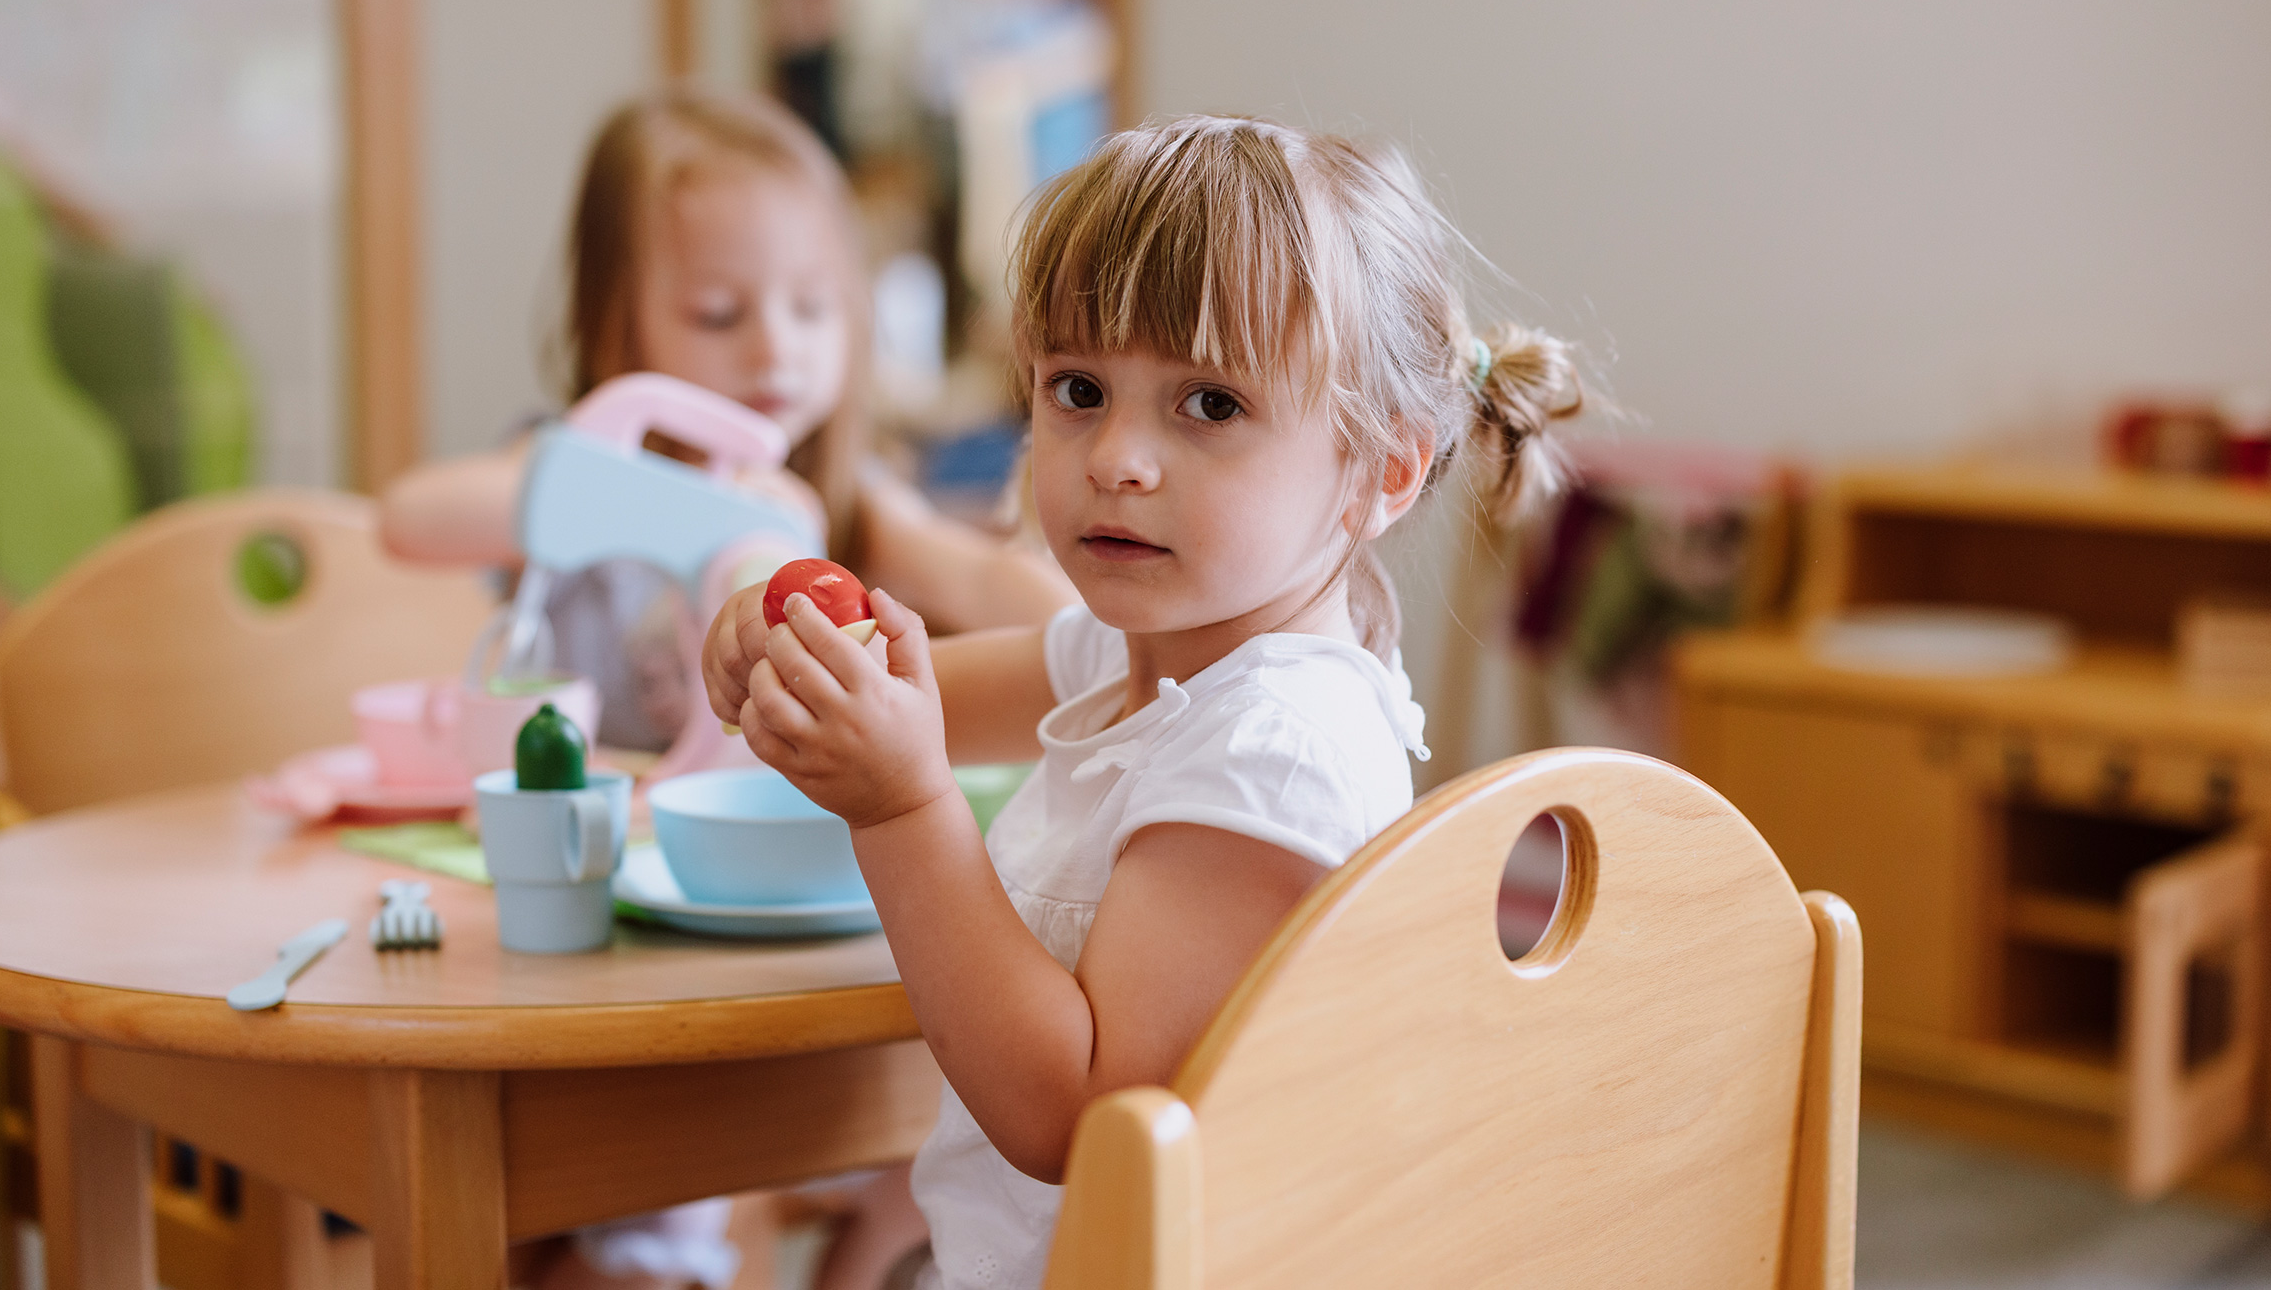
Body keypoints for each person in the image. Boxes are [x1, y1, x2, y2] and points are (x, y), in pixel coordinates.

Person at [701, 114, 1589, 1290]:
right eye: (1078, 389)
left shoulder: (1273, 751)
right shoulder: (1150, 656)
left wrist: (903, 808)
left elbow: (1075, 1115)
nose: (1116, 456)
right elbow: (914, 694)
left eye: (1209, 405)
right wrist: (800, 648)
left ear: (1381, 471)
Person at [382, 88, 1075, 1290]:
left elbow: (1052, 621)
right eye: (718, 312)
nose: (772, 352)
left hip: (792, 939)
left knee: (945, 1124)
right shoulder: (580, 460)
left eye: (812, 309)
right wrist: (649, 502)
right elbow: (411, 517)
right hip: (607, 959)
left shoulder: (850, 503)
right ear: (613, 324)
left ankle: (851, 1257)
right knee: (614, 1222)